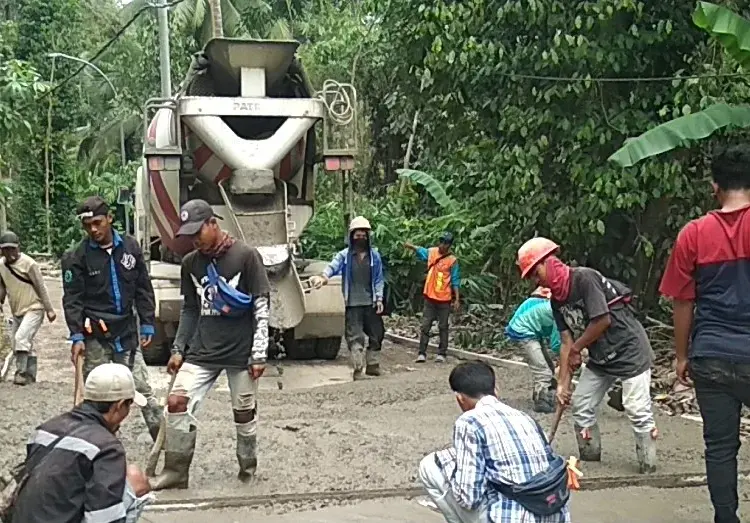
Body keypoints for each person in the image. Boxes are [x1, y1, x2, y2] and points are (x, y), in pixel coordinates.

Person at [151, 199, 271, 490]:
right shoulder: (191, 263)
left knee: (244, 412)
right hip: (202, 351)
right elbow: (190, 309)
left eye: (198, 232)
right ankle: (176, 472)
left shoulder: (246, 256)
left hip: (241, 352)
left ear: (213, 224)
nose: (195, 240)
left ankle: (247, 468)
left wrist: (259, 352)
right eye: (190, 235)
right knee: (176, 402)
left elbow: (261, 305)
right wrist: (178, 348)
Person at [659, 144, 750, 523]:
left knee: (720, 447)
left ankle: (726, 519)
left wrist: (682, 357)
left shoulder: (693, 234)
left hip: (710, 355)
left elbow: (683, 302)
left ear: (714, 187)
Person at [517, 237, 658, 474]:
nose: (535, 279)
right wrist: (562, 384)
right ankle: (591, 461)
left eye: (535, 272)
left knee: (636, 408)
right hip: (600, 357)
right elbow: (565, 341)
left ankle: (649, 465)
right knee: (581, 406)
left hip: (629, 350)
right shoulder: (557, 301)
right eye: (530, 276)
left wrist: (576, 349)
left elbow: (602, 320)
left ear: (548, 262)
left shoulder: (584, 278)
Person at [61, 196, 162, 441]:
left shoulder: (130, 247)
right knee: (97, 396)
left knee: (143, 389)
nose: (93, 229)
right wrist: (76, 336)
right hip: (95, 336)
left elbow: (143, 288)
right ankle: (99, 445)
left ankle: (164, 443)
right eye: (87, 226)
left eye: (97, 222)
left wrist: (147, 323)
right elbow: (72, 299)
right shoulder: (76, 257)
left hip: (126, 332)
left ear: (109, 219)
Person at [419, 360, 571, 523]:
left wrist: (454, 475)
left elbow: (469, 499)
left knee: (429, 465)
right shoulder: (524, 417)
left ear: (460, 399)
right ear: (496, 390)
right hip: (554, 514)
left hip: (514, 517)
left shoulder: (469, 422)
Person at [11, 363, 153, 523]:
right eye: (129, 405)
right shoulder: (107, 448)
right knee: (136, 480)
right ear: (119, 406)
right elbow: (104, 518)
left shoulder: (46, 428)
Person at [310, 216, 385, 379]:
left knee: (377, 333)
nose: (361, 238)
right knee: (355, 336)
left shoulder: (375, 257)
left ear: (368, 237)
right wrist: (322, 277)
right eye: (357, 235)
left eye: (364, 235)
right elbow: (332, 267)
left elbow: (379, 279)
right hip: (352, 303)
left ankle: (373, 365)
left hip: (370, 302)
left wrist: (379, 298)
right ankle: (358, 370)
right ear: (352, 236)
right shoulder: (344, 256)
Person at [0, 231, 56, 385]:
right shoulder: (1, 266)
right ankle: (31, 375)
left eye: (12, 249)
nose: (9, 252)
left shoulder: (29, 264)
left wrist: (49, 309)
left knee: (21, 338)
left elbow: (40, 286)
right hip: (17, 309)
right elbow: (3, 287)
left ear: (18, 248)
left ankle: (21, 373)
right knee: (18, 343)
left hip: (34, 307)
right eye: (6, 249)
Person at [405, 232, 460, 363]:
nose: (442, 245)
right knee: (425, 325)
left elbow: (455, 280)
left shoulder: (452, 261)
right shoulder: (432, 252)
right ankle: (421, 353)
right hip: (430, 297)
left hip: (444, 299)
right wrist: (410, 246)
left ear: (449, 245)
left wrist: (457, 299)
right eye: (441, 242)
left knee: (443, 326)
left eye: (445, 243)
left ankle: (442, 353)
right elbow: (420, 250)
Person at [505, 286, 561, 413]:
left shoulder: (547, 303)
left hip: (528, 330)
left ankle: (541, 393)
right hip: (523, 332)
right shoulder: (559, 312)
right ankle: (541, 401)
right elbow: (556, 344)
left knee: (547, 366)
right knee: (543, 370)